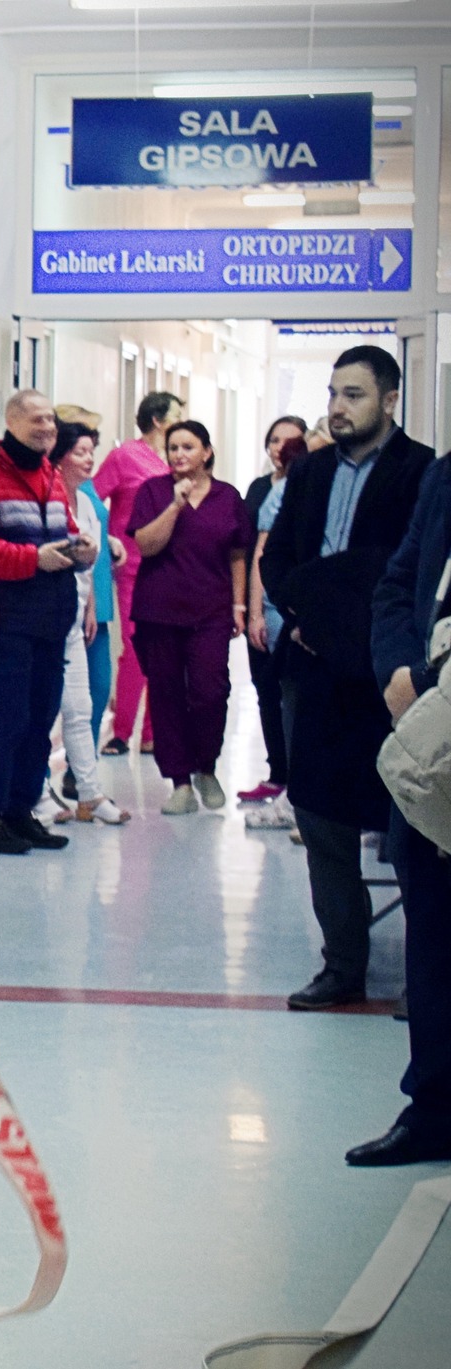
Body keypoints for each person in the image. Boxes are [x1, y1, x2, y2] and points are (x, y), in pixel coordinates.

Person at [262, 345, 437, 1010]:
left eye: (354, 395)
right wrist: (303, 618)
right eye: (333, 393)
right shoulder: (309, 472)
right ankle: (343, 965)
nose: (337, 407)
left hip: (391, 677)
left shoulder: (421, 472)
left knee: (412, 824)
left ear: (390, 400)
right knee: (319, 818)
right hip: (314, 669)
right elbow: (280, 561)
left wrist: (354, 629)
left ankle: (426, 977)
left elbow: (402, 575)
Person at [358, 449, 451, 1166]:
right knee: (435, 934)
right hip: (434, 742)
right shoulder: (446, 475)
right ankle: (434, 1109)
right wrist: (400, 672)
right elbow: (398, 584)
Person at [0, 389, 93, 854]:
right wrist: (33, 559)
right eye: (37, 420)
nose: (47, 428)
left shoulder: (51, 476)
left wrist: (82, 549)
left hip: (52, 622)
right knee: (8, 719)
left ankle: (20, 812)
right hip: (7, 622)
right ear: (12, 423)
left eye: (51, 420)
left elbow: (64, 534)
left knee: (40, 721)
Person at [126, 420, 249, 815]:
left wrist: (239, 606)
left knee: (211, 691)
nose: (179, 454)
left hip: (211, 611)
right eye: (173, 448)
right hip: (160, 612)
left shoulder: (228, 497)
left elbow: (238, 554)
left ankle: (206, 767)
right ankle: (179, 781)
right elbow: (146, 545)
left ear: (206, 452)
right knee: (166, 695)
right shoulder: (153, 491)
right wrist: (175, 505)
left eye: (188, 447)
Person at [45, 416, 127, 824]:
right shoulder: (48, 499)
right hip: (48, 618)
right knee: (43, 710)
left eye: (91, 452)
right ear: (60, 457)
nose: (89, 459)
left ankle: (89, 795)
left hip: (76, 618)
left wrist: (92, 607)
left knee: (81, 707)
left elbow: (89, 564)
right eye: (80, 452)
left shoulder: (89, 504)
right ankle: (38, 792)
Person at [95, 391, 186, 755]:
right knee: (136, 648)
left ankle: (152, 734)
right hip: (133, 567)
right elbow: (91, 497)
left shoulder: (177, 459)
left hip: (171, 569)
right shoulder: (125, 457)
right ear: (157, 421)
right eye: (176, 415)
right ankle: (121, 732)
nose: (182, 421)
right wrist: (108, 539)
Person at [240, 416, 309, 811]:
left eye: (291, 441)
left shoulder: (308, 485)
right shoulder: (268, 491)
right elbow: (259, 554)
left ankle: (297, 787)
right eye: (274, 440)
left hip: (298, 608)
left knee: (297, 696)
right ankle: (281, 777)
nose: (281, 449)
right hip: (271, 606)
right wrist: (253, 612)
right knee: (273, 691)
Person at [57, 404, 118, 770]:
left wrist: (110, 542)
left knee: (97, 687)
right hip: (68, 597)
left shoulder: (87, 486)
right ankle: (52, 777)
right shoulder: (53, 487)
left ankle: (83, 770)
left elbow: (91, 526)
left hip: (96, 592)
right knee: (63, 694)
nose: (90, 455)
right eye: (82, 447)